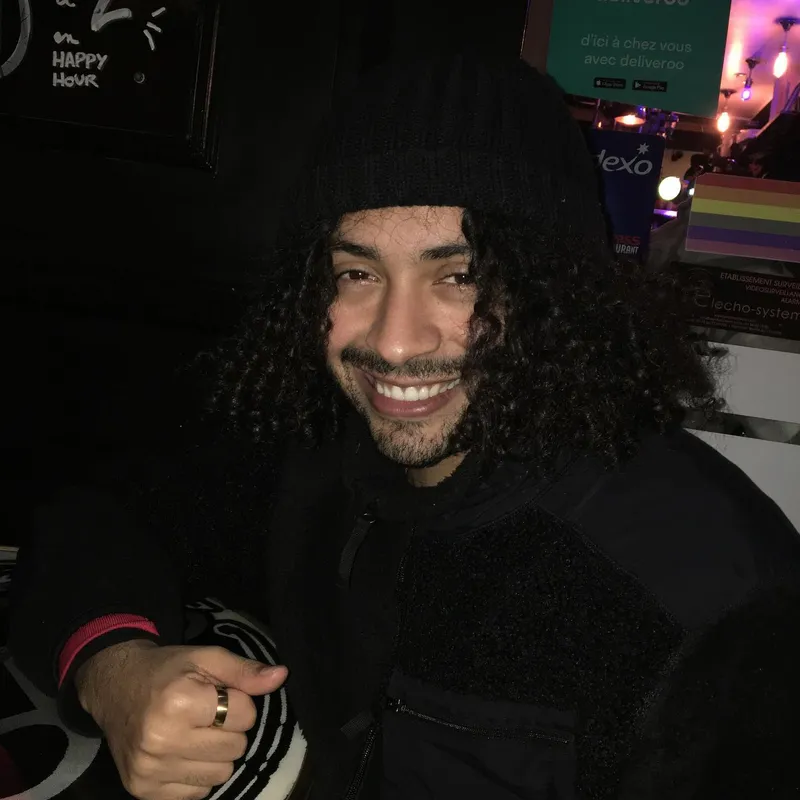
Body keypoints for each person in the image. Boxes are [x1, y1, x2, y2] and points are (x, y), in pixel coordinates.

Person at [10, 56, 800, 800]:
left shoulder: (710, 597)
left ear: (555, 293)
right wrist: (115, 670)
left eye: (460, 276)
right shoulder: (318, 450)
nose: (393, 342)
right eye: (357, 273)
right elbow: (99, 519)